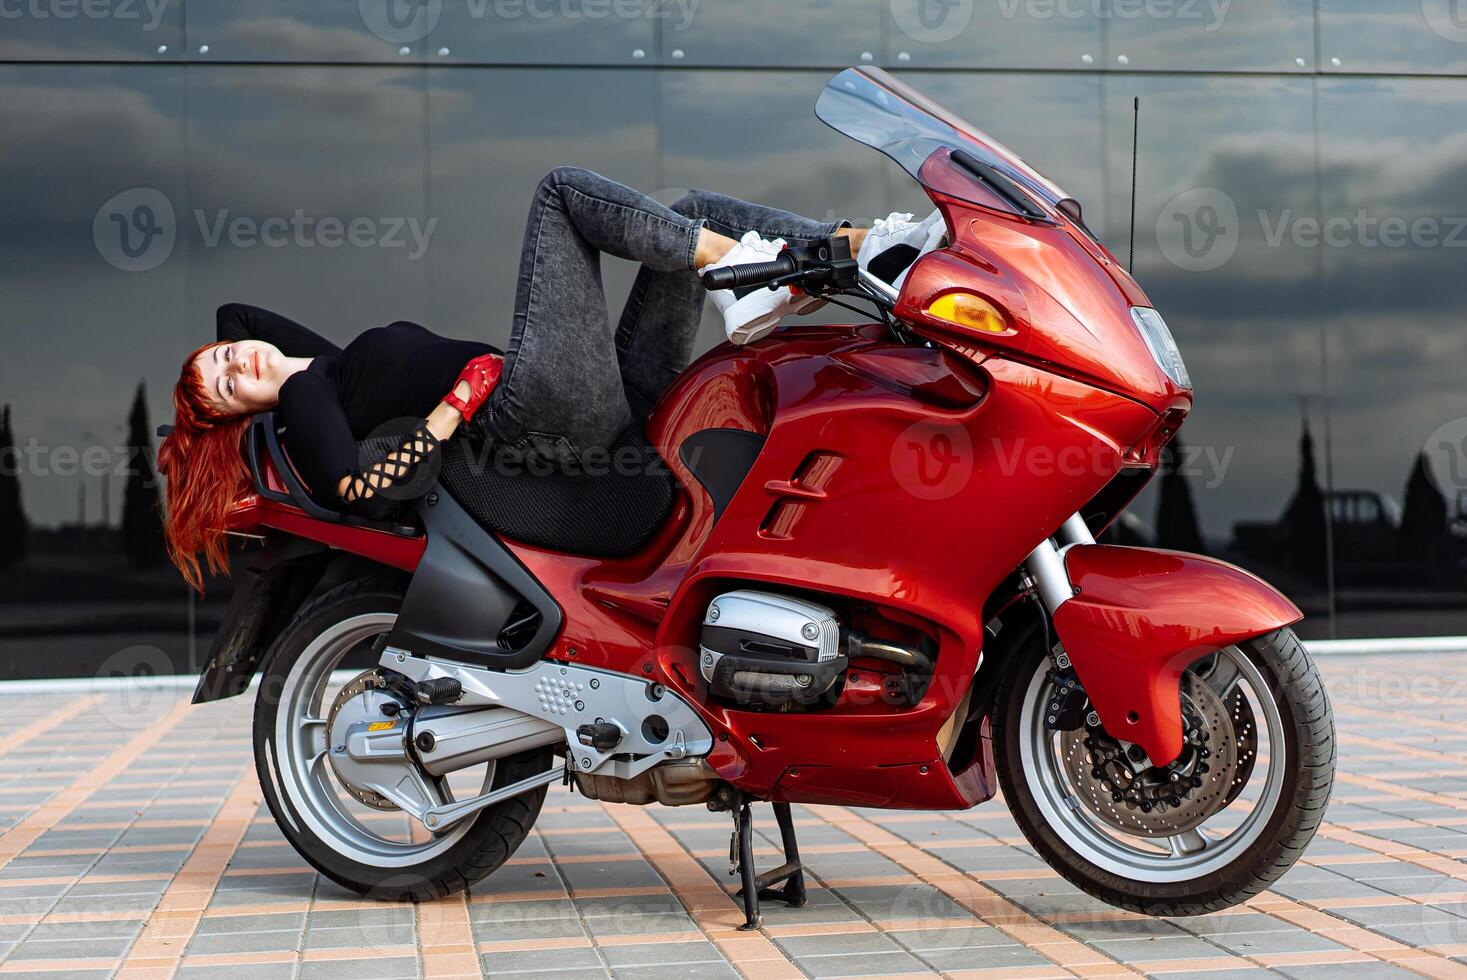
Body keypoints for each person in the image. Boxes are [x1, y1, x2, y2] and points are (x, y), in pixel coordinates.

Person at [157, 167, 939, 589]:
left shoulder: (315, 364)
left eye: (225, 356)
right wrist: (454, 408)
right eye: (228, 383)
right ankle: (752, 271)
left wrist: (214, 370)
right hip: (535, 411)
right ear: (245, 414)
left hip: (598, 401)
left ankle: (867, 251)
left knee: (689, 209)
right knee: (563, 195)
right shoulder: (305, 397)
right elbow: (351, 489)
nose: (238, 362)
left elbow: (239, 312)